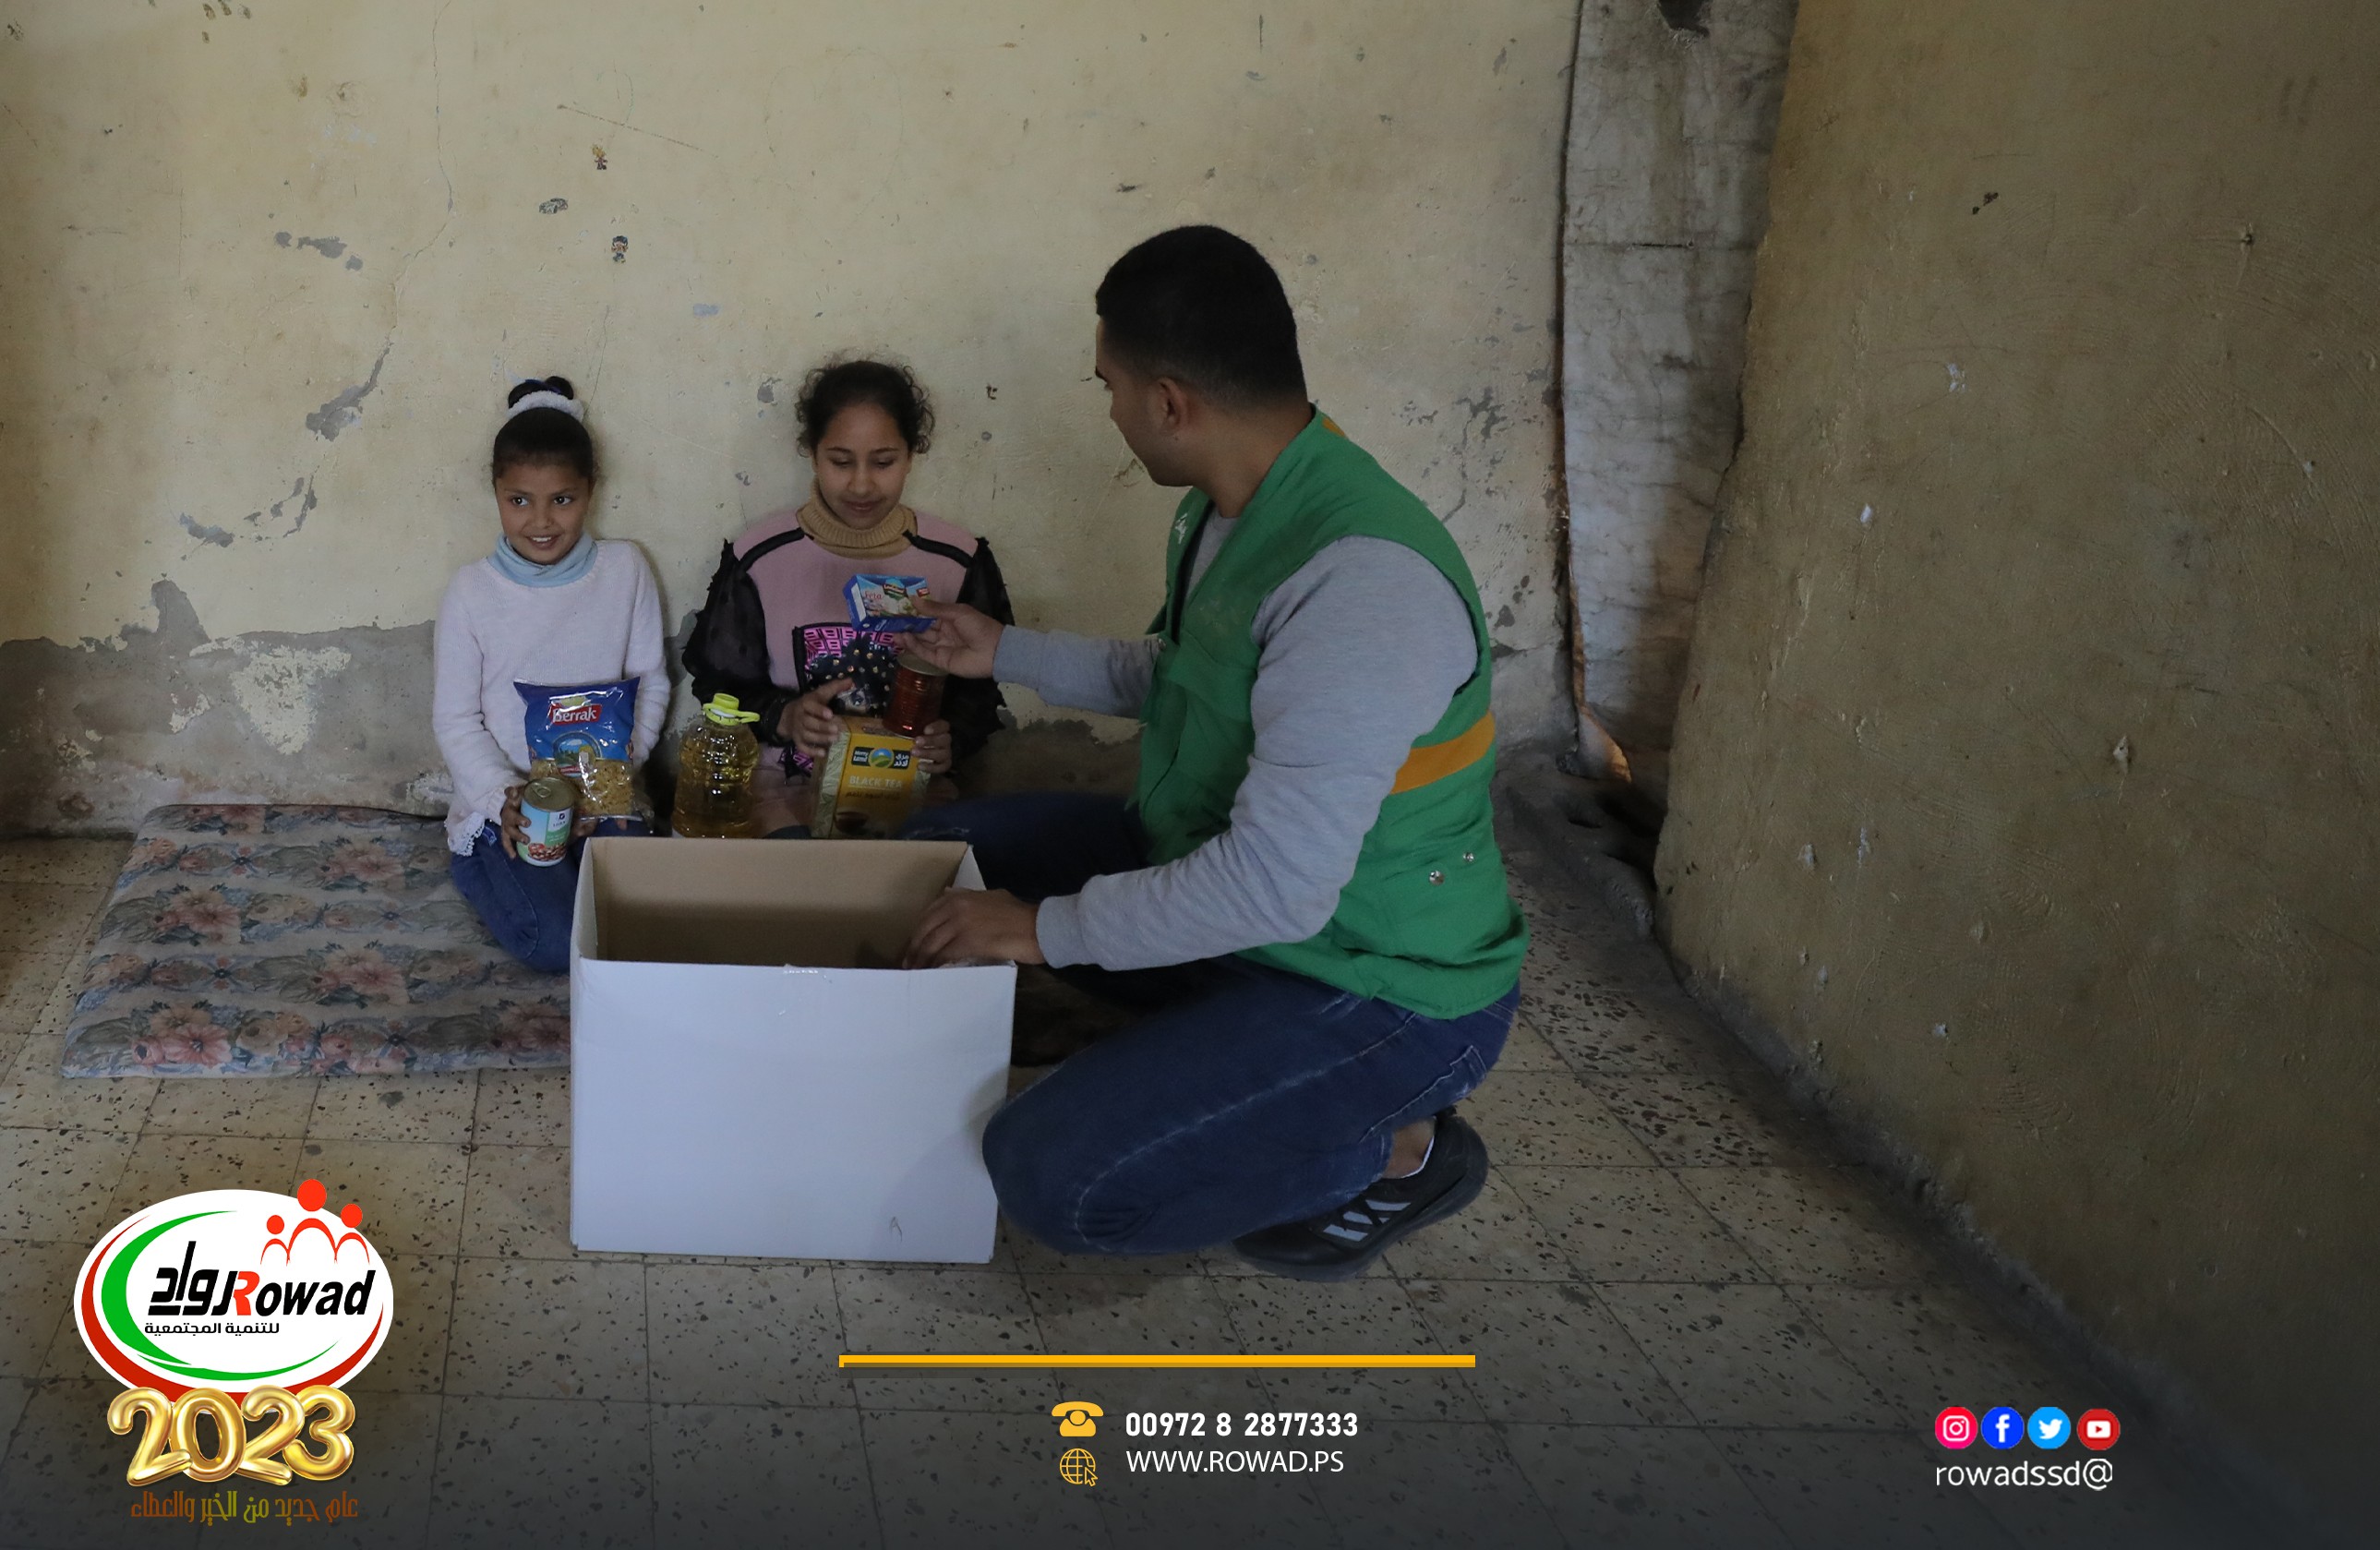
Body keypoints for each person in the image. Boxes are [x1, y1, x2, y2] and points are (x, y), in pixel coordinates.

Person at [899, 226, 1528, 1280]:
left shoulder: (1363, 585)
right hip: (1233, 888)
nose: (1108, 410)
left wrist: (1044, 928)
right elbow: (1186, 674)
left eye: (1109, 386)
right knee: (934, 853)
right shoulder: (1232, 506)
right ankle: (1213, 1046)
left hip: (1378, 982)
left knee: (1056, 1175)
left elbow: (1276, 886)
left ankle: (1403, 1147)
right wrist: (1004, 650)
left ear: (1169, 403)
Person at [682, 358, 1014, 835]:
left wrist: (953, 739)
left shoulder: (957, 560)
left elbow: (982, 686)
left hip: (911, 798)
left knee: (923, 874)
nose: (861, 484)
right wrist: (785, 716)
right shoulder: (760, 559)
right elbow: (719, 684)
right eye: (841, 462)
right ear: (812, 454)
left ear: (911, 454)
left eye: (884, 462)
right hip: (787, 796)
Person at [433, 377, 667, 972]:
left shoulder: (625, 570)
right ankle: (479, 861)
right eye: (519, 501)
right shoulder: (472, 591)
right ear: (496, 493)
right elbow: (456, 720)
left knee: (644, 919)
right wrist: (500, 798)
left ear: (591, 491)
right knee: (556, 942)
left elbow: (650, 679)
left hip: (605, 793)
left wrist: (617, 771)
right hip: (512, 805)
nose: (541, 521)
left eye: (562, 499)